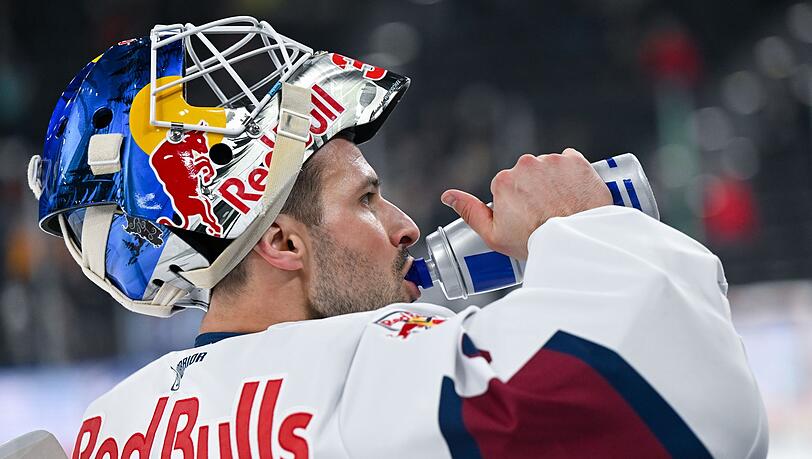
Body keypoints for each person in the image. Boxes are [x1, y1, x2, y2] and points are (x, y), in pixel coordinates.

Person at [30, 17, 767, 459]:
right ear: (281, 242)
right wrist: (578, 224)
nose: (407, 225)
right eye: (369, 199)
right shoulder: (365, 364)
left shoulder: (105, 426)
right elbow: (681, 413)